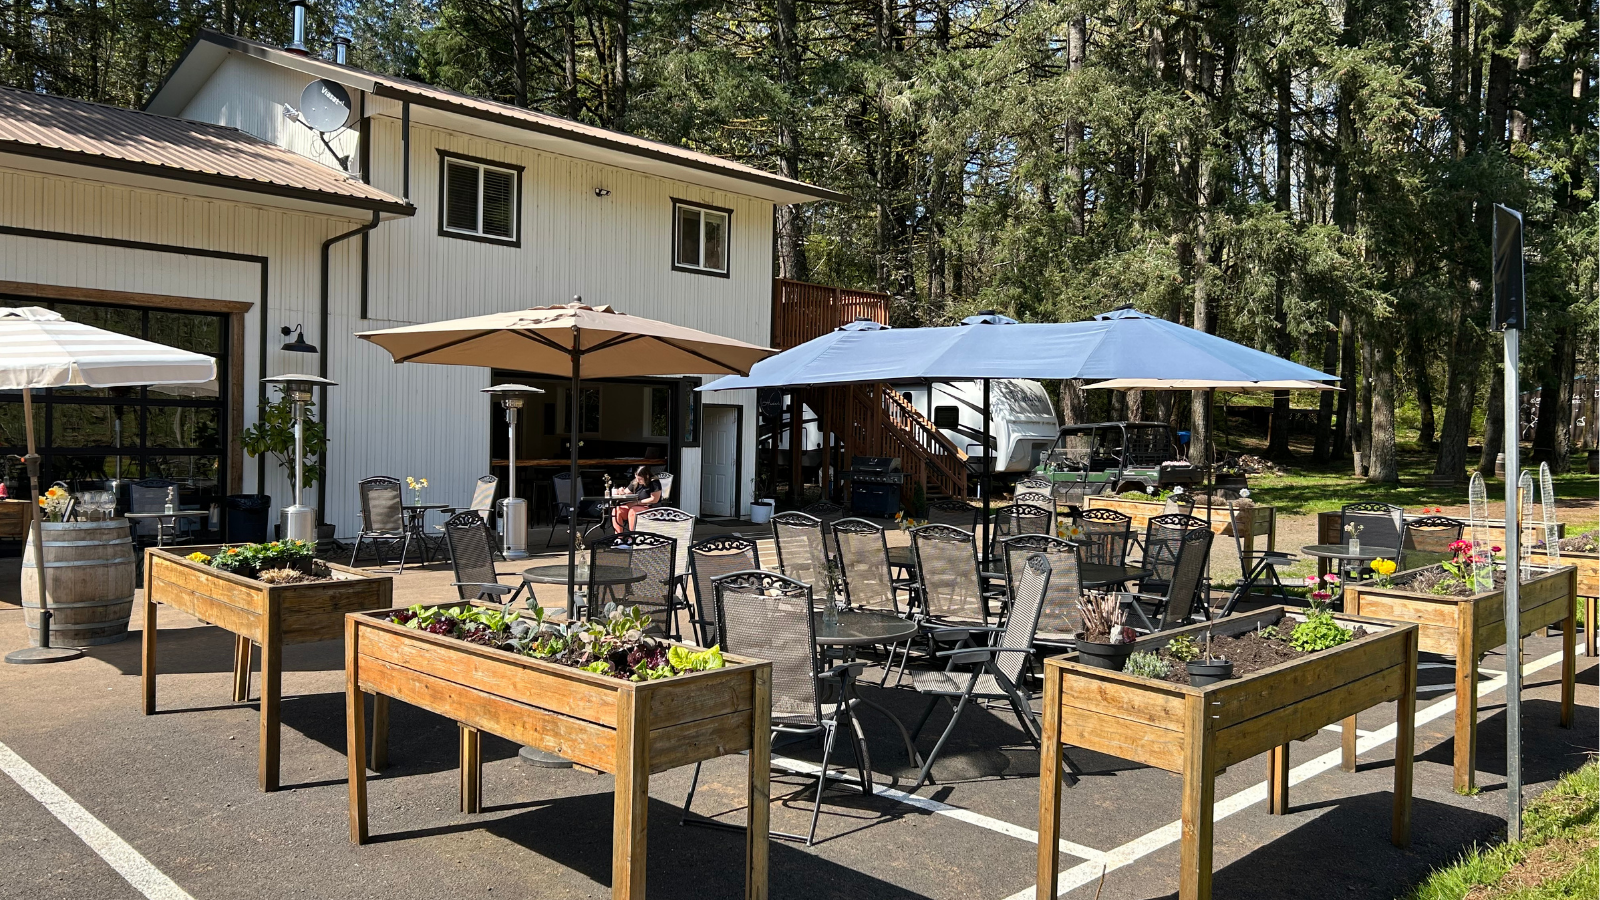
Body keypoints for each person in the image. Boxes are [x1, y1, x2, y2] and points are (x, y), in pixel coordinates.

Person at [611, 466, 662, 532]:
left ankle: (633, 536)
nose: (638, 480)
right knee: (616, 510)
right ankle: (619, 537)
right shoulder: (636, 482)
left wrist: (636, 503)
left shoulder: (654, 483)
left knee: (633, 511)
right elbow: (626, 492)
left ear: (646, 476)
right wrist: (621, 492)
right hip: (634, 506)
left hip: (649, 507)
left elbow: (654, 499)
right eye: (636, 478)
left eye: (640, 478)